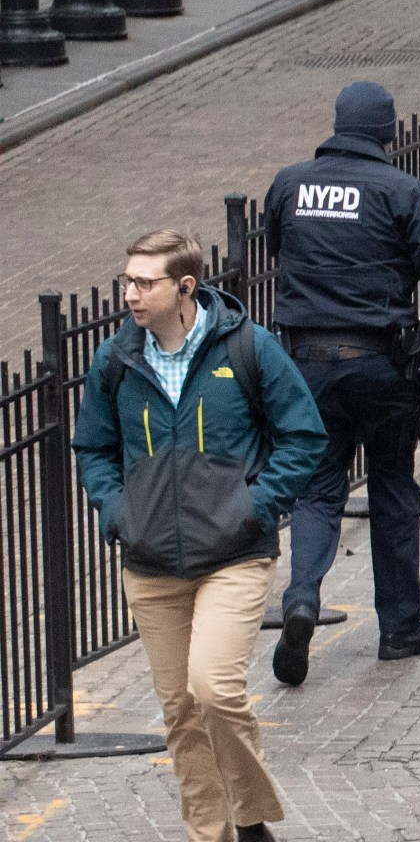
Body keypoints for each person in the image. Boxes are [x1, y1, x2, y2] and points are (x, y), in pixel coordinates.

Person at [71, 230, 327, 842]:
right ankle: (209, 833)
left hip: (233, 554)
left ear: (185, 287)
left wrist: (254, 507)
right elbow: (93, 447)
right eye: (126, 281)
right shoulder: (115, 361)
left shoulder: (248, 348)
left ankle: (252, 816)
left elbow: (304, 436)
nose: (129, 294)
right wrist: (116, 511)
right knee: (182, 715)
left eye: (144, 282)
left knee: (212, 688)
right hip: (151, 562)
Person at [263, 80, 420, 683]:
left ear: (336, 124)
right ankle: (400, 628)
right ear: (388, 133)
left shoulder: (290, 183)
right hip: (381, 366)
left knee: (316, 488)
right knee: (390, 486)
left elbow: (280, 250)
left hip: (305, 363)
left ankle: (302, 599)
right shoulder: (402, 190)